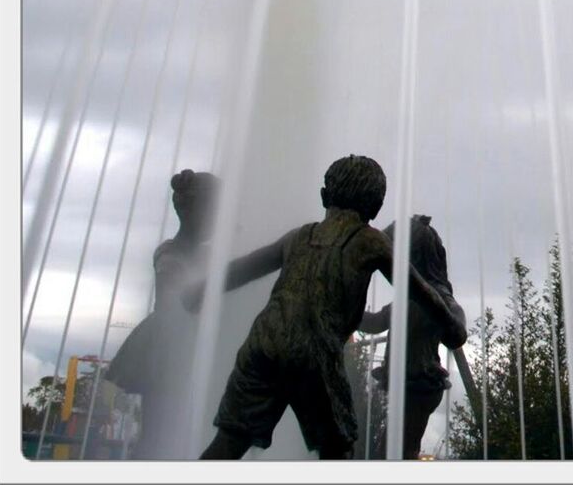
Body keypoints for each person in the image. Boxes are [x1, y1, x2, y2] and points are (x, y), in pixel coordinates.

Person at [187, 155, 467, 459]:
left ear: (324, 196)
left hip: (262, 346)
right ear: (375, 208)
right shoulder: (370, 241)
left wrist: (201, 289)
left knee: (230, 439)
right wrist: (453, 327)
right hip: (314, 353)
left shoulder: (298, 236)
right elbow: (419, 289)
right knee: (336, 448)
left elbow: (245, 267)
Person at [106, 169, 220, 458]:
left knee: (183, 427)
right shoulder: (169, 253)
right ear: (195, 212)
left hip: (186, 345)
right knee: (158, 431)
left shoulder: (207, 255)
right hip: (164, 349)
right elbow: (172, 295)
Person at [358, 214, 467, 459]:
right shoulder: (407, 301)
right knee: (394, 450)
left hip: (421, 385)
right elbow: (375, 323)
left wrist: (442, 314)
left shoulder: (438, 297)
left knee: (395, 451)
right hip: (405, 385)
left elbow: (457, 333)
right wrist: (349, 310)